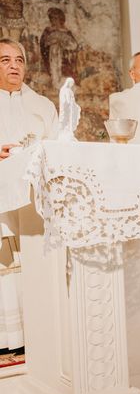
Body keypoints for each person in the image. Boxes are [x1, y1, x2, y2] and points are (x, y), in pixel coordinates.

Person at [0, 37, 59, 356]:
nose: (14, 66)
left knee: (36, 259)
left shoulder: (42, 106)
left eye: (19, 60)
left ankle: (40, 331)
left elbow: (58, 143)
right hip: (1, 199)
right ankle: (8, 337)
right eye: (5, 60)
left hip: (36, 199)